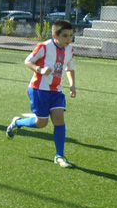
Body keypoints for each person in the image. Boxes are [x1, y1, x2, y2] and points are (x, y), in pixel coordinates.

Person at [6, 19, 77, 168]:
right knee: (41, 123)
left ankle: (60, 156)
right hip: (39, 89)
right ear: (54, 35)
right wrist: (40, 70)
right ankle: (17, 122)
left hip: (56, 91)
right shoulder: (44, 46)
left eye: (70, 35)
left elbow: (69, 68)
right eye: (65, 35)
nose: (68, 39)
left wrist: (72, 85)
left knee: (60, 120)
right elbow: (28, 61)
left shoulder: (70, 49)